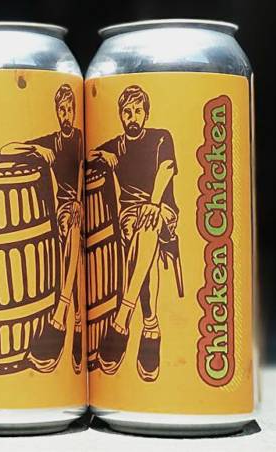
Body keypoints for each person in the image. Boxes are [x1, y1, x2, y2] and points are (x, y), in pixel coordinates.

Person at [89, 85, 181, 382]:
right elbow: (88, 155)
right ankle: (151, 325)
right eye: (127, 112)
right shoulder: (116, 145)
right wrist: (102, 155)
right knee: (144, 234)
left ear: (146, 113)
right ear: (121, 116)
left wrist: (154, 203)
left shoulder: (160, 137)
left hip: (162, 209)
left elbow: (166, 169)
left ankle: (122, 319)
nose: (132, 117)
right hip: (130, 216)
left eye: (138, 111)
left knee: (150, 223)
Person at [0, 84, 84, 373]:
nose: (66, 115)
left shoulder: (80, 137)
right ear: (56, 112)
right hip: (54, 210)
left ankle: (60, 318)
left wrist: (78, 200)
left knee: (74, 224)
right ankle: (77, 324)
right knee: (67, 226)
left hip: (78, 207)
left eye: (70, 109)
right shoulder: (52, 141)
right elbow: (7, 149)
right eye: (61, 110)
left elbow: (82, 168)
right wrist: (37, 149)